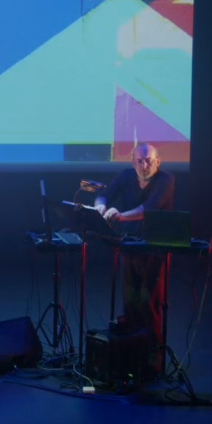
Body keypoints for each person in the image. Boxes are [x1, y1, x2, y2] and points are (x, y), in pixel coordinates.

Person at [86, 144, 176, 353]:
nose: (144, 165)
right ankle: (132, 353)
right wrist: (100, 206)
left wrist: (120, 216)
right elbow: (104, 195)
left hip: (154, 249)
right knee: (130, 302)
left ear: (158, 162)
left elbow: (149, 209)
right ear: (133, 162)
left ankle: (153, 354)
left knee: (149, 302)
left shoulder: (166, 180)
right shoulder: (125, 176)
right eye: (140, 161)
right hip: (128, 246)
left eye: (149, 161)